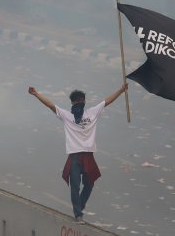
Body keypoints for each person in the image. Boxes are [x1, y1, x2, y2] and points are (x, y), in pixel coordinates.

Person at [29, 83, 128, 223]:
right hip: (74, 155)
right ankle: (78, 214)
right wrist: (36, 94)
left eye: (82, 100)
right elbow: (50, 105)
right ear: (73, 102)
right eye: (77, 101)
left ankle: (79, 206)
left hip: (88, 154)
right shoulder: (66, 116)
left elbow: (107, 101)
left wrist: (121, 90)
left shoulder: (92, 112)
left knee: (90, 183)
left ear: (84, 102)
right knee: (75, 185)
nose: (80, 103)